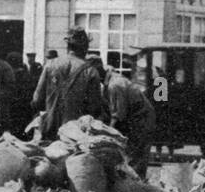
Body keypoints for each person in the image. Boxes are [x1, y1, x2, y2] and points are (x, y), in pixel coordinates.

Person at [31, 28, 105, 141]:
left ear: (68, 46)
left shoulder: (50, 65)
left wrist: (52, 107)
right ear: (85, 47)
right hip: (76, 134)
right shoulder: (91, 71)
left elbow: (36, 101)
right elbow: (95, 108)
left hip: (50, 131)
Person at [98, 51, 156, 179]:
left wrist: (106, 135)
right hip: (135, 119)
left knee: (136, 157)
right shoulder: (109, 83)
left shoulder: (115, 85)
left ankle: (137, 187)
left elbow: (118, 116)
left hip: (141, 120)